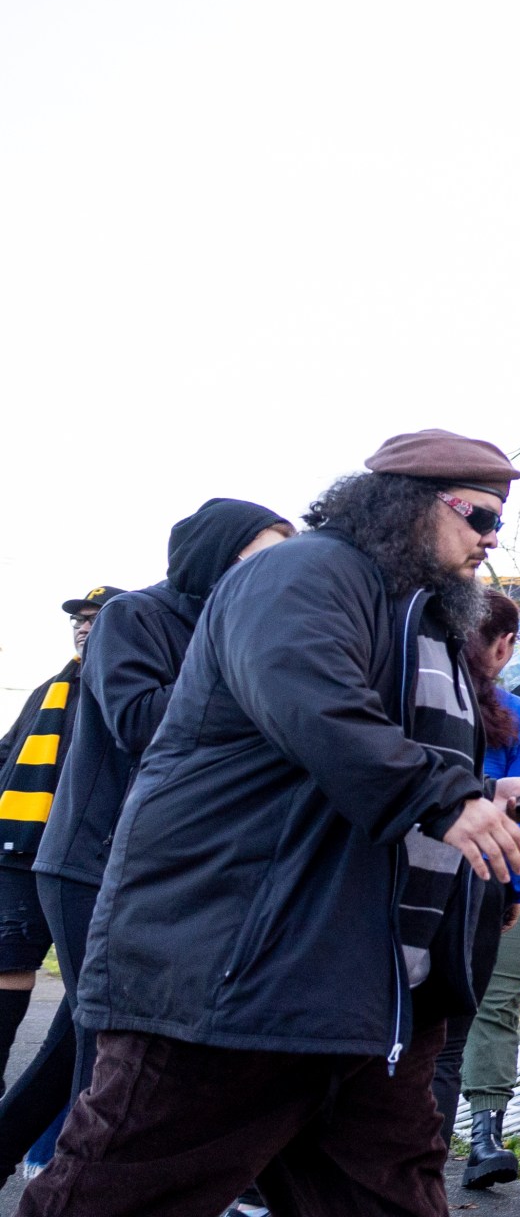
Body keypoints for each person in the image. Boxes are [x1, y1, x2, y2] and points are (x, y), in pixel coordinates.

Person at [21, 430, 520, 1217]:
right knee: (119, 1193)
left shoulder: (424, 617)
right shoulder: (303, 573)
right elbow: (311, 702)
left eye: (501, 520)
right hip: (240, 975)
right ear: (405, 504)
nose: (491, 537)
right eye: (477, 514)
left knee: (385, 1200)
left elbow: (382, 756)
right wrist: (444, 799)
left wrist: (484, 799)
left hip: (370, 998)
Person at [0, 504, 292, 1184]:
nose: (278, 577)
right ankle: (78, 1189)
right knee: (110, 1042)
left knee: (86, 1033)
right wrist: (248, 679)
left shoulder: (246, 628)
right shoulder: (138, 617)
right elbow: (138, 720)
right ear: (215, 554)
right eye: (263, 559)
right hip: (92, 861)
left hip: (173, 864)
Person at [439, 591, 520, 1188]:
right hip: (484, 883)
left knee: (485, 1006)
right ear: (505, 646)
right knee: (461, 1016)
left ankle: (484, 1134)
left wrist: (516, 888)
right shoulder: (440, 704)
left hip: (498, 883)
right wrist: (516, 887)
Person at [0, 589, 121, 1073]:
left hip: (90, 857)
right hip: (21, 849)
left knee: (89, 985)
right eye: (79, 620)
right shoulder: (50, 688)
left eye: (95, 619)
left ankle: (58, 1122)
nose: (83, 626)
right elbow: (8, 754)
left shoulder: (131, 681)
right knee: (8, 960)